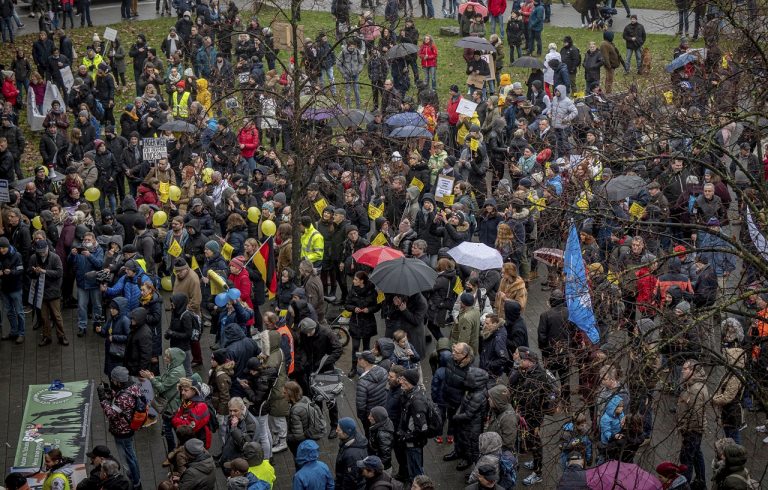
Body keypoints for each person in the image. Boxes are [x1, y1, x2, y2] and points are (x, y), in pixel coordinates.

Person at [97, 366, 143, 490]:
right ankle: (136, 481)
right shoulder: (132, 387)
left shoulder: (123, 397)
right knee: (131, 456)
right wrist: (109, 391)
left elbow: (111, 413)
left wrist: (102, 399)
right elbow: (118, 399)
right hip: (128, 428)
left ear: (118, 380)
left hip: (122, 431)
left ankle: (135, 482)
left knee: (128, 460)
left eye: (113, 380)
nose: (112, 382)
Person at [29, 238, 66, 347]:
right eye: (39, 252)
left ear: (47, 248)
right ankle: (47, 337)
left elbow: (59, 273)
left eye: (43, 252)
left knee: (57, 316)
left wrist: (44, 272)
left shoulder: (55, 257)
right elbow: (29, 272)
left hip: (53, 292)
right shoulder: (34, 258)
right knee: (44, 317)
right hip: (41, 292)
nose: (41, 254)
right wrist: (35, 272)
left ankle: (61, 336)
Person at [676, 360, 709, 486]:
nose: (682, 371)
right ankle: (701, 482)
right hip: (693, 430)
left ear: (693, 371)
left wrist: (686, 428)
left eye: (685, 369)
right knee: (696, 455)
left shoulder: (695, 389)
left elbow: (696, 414)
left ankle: (685, 485)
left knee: (686, 460)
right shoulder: (691, 385)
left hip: (692, 430)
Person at [396, 368, 429, 483]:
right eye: (401, 379)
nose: (401, 382)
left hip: (413, 444)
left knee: (416, 474)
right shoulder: (408, 394)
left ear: (412, 382)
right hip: (410, 442)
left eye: (404, 380)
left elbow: (422, 429)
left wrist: (406, 437)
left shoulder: (416, 401)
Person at [0, 237, 25, 343]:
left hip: (15, 288)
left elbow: (20, 269)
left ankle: (21, 334)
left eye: (3, 248)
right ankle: (14, 331)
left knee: (19, 312)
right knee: (9, 312)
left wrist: (11, 272)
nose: (1, 250)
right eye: (0, 248)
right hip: (4, 288)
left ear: (8, 246)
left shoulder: (16, 255)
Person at [335, 417, 369, 489]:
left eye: (339, 430)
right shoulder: (355, 438)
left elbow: (351, 479)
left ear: (346, 432)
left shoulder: (352, 456)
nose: (336, 431)